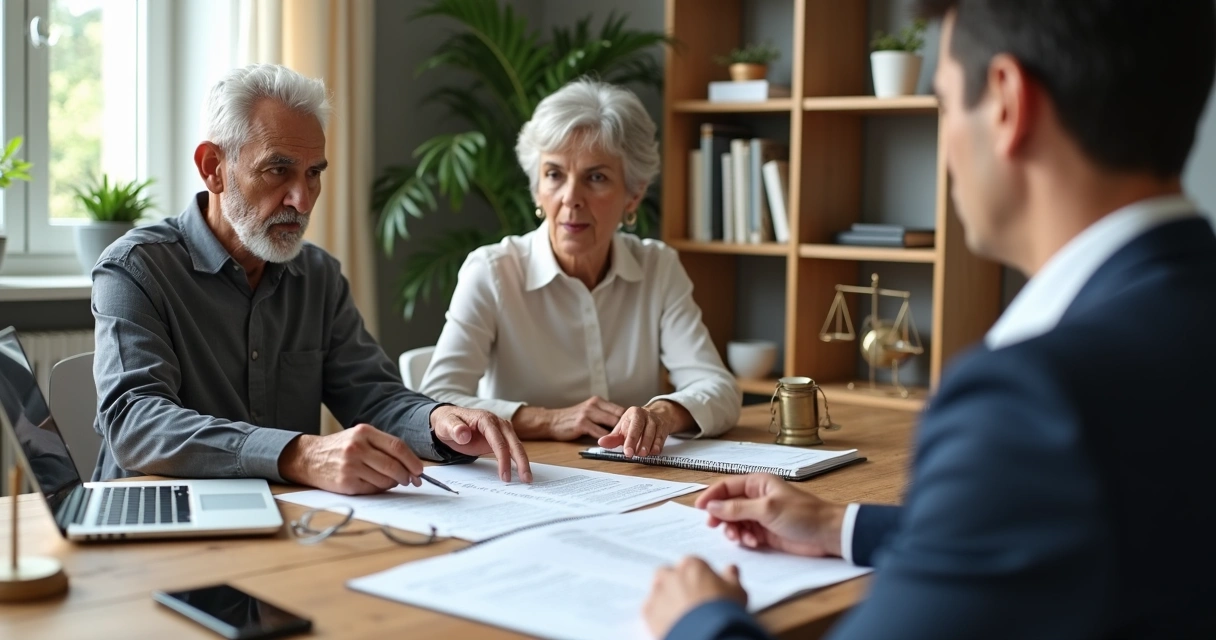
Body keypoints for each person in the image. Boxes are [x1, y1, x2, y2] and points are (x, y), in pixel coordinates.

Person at [643, 1, 1216, 638]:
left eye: (943, 106)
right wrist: (841, 526)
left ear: (1005, 103)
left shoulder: (1030, 401)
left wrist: (698, 620)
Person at [91, 64, 532, 495]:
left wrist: (440, 422)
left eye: (313, 173)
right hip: (154, 523)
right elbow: (135, 420)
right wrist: (298, 455)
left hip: (284, 519)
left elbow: (374, 398)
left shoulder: (318, 275)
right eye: (277, 170)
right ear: (213, 167)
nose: (302, 201)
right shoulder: (135, 269)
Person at [420, 79, 741, 458]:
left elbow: (718, 388)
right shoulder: (492, 271)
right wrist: (550, 420)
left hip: (631, 477)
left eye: (596, 177)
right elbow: (436, 401)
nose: (571, 198)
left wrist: (661, 414)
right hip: (527, 478)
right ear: (538, 188)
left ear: (633, 194)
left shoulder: (658, 267)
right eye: (554, 175)